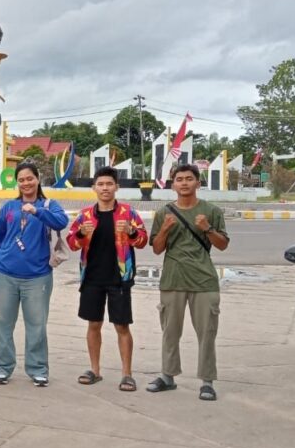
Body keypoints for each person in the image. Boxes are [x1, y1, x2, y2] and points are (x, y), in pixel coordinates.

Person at [147, 163, 230, 401]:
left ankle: (207, 382)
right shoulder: (164, 213)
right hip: (172, 279)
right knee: (170, 332)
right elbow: (157, 249)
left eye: (189, 178)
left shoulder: (211, 211)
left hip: (204, 281)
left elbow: (223, 245)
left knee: (207, 333)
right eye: (179, 179)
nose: (184, 183)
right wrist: (164, 229)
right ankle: (168, 376)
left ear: (198, 183)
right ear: (173, 185)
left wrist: (207, 228)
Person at [66, 166, 149, 391]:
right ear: (94, 188)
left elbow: (143, 241)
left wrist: (131, 231)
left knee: (122, 326)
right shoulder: (85, 215)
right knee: (93, 324)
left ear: (117, 187)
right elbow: (72, 244)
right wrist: (82, 233)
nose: (105, 188)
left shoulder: (128, 213)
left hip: (119, 278)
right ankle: (95, 370)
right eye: (101, 184)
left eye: (109, 184)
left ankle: (127, 374)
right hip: (92, 277)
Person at [0, 162, 68, 386]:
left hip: (38, 276)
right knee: (2, 323)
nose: (26, 183)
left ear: (37, 179)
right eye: (21, 180)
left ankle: (38, 368)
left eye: (30, 178)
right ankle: (2, 367)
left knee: (37, 324)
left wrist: (37, 211)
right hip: (4, 273)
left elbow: (61, 222)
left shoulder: (49, 205)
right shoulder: (9, 207)